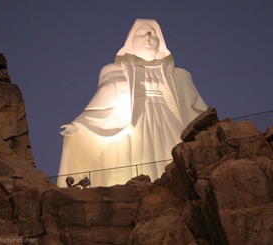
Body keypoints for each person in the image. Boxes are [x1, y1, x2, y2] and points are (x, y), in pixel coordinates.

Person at [57, 19, 207, 187]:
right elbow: (100, 105)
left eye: (153, 33)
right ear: (130, 41)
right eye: (142, 33)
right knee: (131, 157)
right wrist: (79, 125)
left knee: (176, 154)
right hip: (131, 123)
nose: (148, 37)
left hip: (168, 121)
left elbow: (196, 108)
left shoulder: (179, 74)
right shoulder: (113, 70)